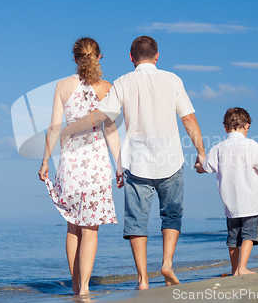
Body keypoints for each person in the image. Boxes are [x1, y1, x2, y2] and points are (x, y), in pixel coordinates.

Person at [60, 36, 205, 289]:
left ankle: (143, 280)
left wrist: (69, 129)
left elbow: (102, 115)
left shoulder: (123, 82)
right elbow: (189, 119)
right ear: (157, 55)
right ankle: (167, 263)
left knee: (137, 221)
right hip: (170, 161)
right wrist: (201, 152)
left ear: (131, 57)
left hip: (137, 163)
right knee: (171, 216)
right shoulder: (173, 80)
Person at [38, 37, 122, 296]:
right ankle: (84, 288)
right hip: (96, 162)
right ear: (100, 57)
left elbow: (54, 127)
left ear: (75, 59)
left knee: (73, 225)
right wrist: (119, 164)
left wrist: (44, 161)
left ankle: (76, 286)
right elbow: (110, 130)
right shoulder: (107, 88)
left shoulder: (63, 86)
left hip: (70, 162)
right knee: (90, 227)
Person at [195, 108, 258, 275]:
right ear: (247, 126)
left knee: (233, 238)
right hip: (250, 201)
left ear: (225, 128)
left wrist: (198, 166)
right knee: (249, 235)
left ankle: (234, 269)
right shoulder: (251, 145)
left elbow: (205, 168)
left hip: (230, 204)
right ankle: (243, 267)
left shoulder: (218, 148)